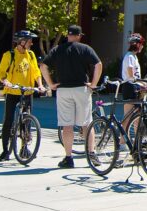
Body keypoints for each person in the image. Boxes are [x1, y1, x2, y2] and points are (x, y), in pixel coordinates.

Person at [40, 24, 102, 169]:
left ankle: (68, 158)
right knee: (86, 123)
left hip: (63, 89)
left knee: (67, 125)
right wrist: (93, 84)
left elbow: (43, 66)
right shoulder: (85, 48)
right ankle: (91, 154)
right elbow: (98, 64)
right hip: (81, 88)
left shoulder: (57, 50)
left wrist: (51, 84)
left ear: (67, 35)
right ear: (79, 36)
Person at [0, 30, 45, 161]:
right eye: (29, 41)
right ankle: (5, 150)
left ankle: (24, 147)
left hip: (27, 92)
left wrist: (40, 85)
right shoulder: (9, 55)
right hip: (12, 92)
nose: (31, 43)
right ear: (21, 42)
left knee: (26, 120)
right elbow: (1, 73)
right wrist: (5, 81)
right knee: (8, 120)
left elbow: (36, 72)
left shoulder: (31, 55)